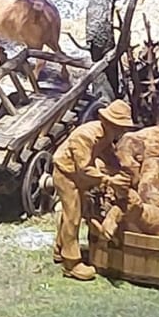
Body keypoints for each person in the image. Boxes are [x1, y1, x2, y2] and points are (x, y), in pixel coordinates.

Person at [50, 99, 134, 281]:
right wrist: (109, 180)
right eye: (120, 127)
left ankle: (60, 248)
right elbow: (84, 168)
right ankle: (71, 263)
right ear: (109, 122)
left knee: (72, 213)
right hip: (66, 173)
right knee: (73, 216)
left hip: (77, 175)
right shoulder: (86, 136)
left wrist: (122, 171)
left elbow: (108, 156)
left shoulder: (106, 135)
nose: (121, 131)